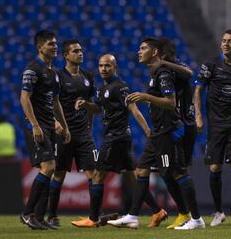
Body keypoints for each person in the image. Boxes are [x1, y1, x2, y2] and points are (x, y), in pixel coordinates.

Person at [108, 38, 205, 230]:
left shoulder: (163, 72)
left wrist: (145, 97)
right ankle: (133, 216)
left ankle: (196, 218)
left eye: (143, 48)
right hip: (159, 130)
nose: (138, 51)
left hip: (169, 129)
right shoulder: (157, 73)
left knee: (176, 172)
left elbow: (170, 101)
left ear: (155, 52)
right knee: (143, 169)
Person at [71, 54, 164, 228]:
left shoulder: (120, 87)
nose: (103, 69)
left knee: (98, 176)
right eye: (101, 66)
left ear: (115, 68)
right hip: (118, 138)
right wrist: (86, 104)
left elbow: (134, 110)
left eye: (107, 66)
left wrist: (147, 130)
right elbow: (98, 108)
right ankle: (157, 211)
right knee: (132, 179)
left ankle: (92, 218)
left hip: (116, 137)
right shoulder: (101, 88)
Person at [44, 39, 116, 228]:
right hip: (64, 133)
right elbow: (49, 103)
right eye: (75, 51)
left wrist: (89, 123)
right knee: (59, 174)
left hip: (84, 134)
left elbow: (95, 107)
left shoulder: (87, 76)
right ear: (66, 55)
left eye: (81, 50)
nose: (80, 53)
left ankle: (95, 215)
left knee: (93, 173)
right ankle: (52, 215)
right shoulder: (58, 76)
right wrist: (57, 123)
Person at [20, 30, 71, 230]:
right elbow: (24, 98)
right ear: (40, 47)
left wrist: (64, 126)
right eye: (50, 44)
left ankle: (39, 218)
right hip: (37, 125)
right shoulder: (32, 69)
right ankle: (27, 213)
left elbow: (56, 102)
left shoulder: (54, 73)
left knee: (49, 170)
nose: (55, 47)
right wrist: (35, 124)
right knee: (48, 167)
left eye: (56, 43)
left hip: (50, 125)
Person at [194, 30, 231, 226]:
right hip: (215, 125)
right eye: (224, 41)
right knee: (215, 167)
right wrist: (198, 115)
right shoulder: (211, 65)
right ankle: (218, 212)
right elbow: (198, 90)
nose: (226, 44)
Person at [148, 38, 196, 229]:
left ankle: (190, 215)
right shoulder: (163, 71)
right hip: (168, 127)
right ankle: (185, 213)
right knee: (168, 171)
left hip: (180, 125)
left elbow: (190, 72)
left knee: (177, 171)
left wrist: (164, 63)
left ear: (163, 55)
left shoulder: (173, 67)